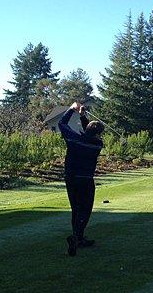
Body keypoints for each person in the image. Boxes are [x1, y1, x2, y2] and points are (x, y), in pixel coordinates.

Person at [59, 102, 104, 256]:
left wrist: (72, 110)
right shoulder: (98, 144)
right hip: (85, 179)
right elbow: (90, 134)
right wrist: (83, 117)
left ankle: (78, 238)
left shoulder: (73, 139)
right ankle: (76, 237)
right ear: (98, 134)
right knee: (85, 210)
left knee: (76, 209)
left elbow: (61, 123)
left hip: (70, 178)